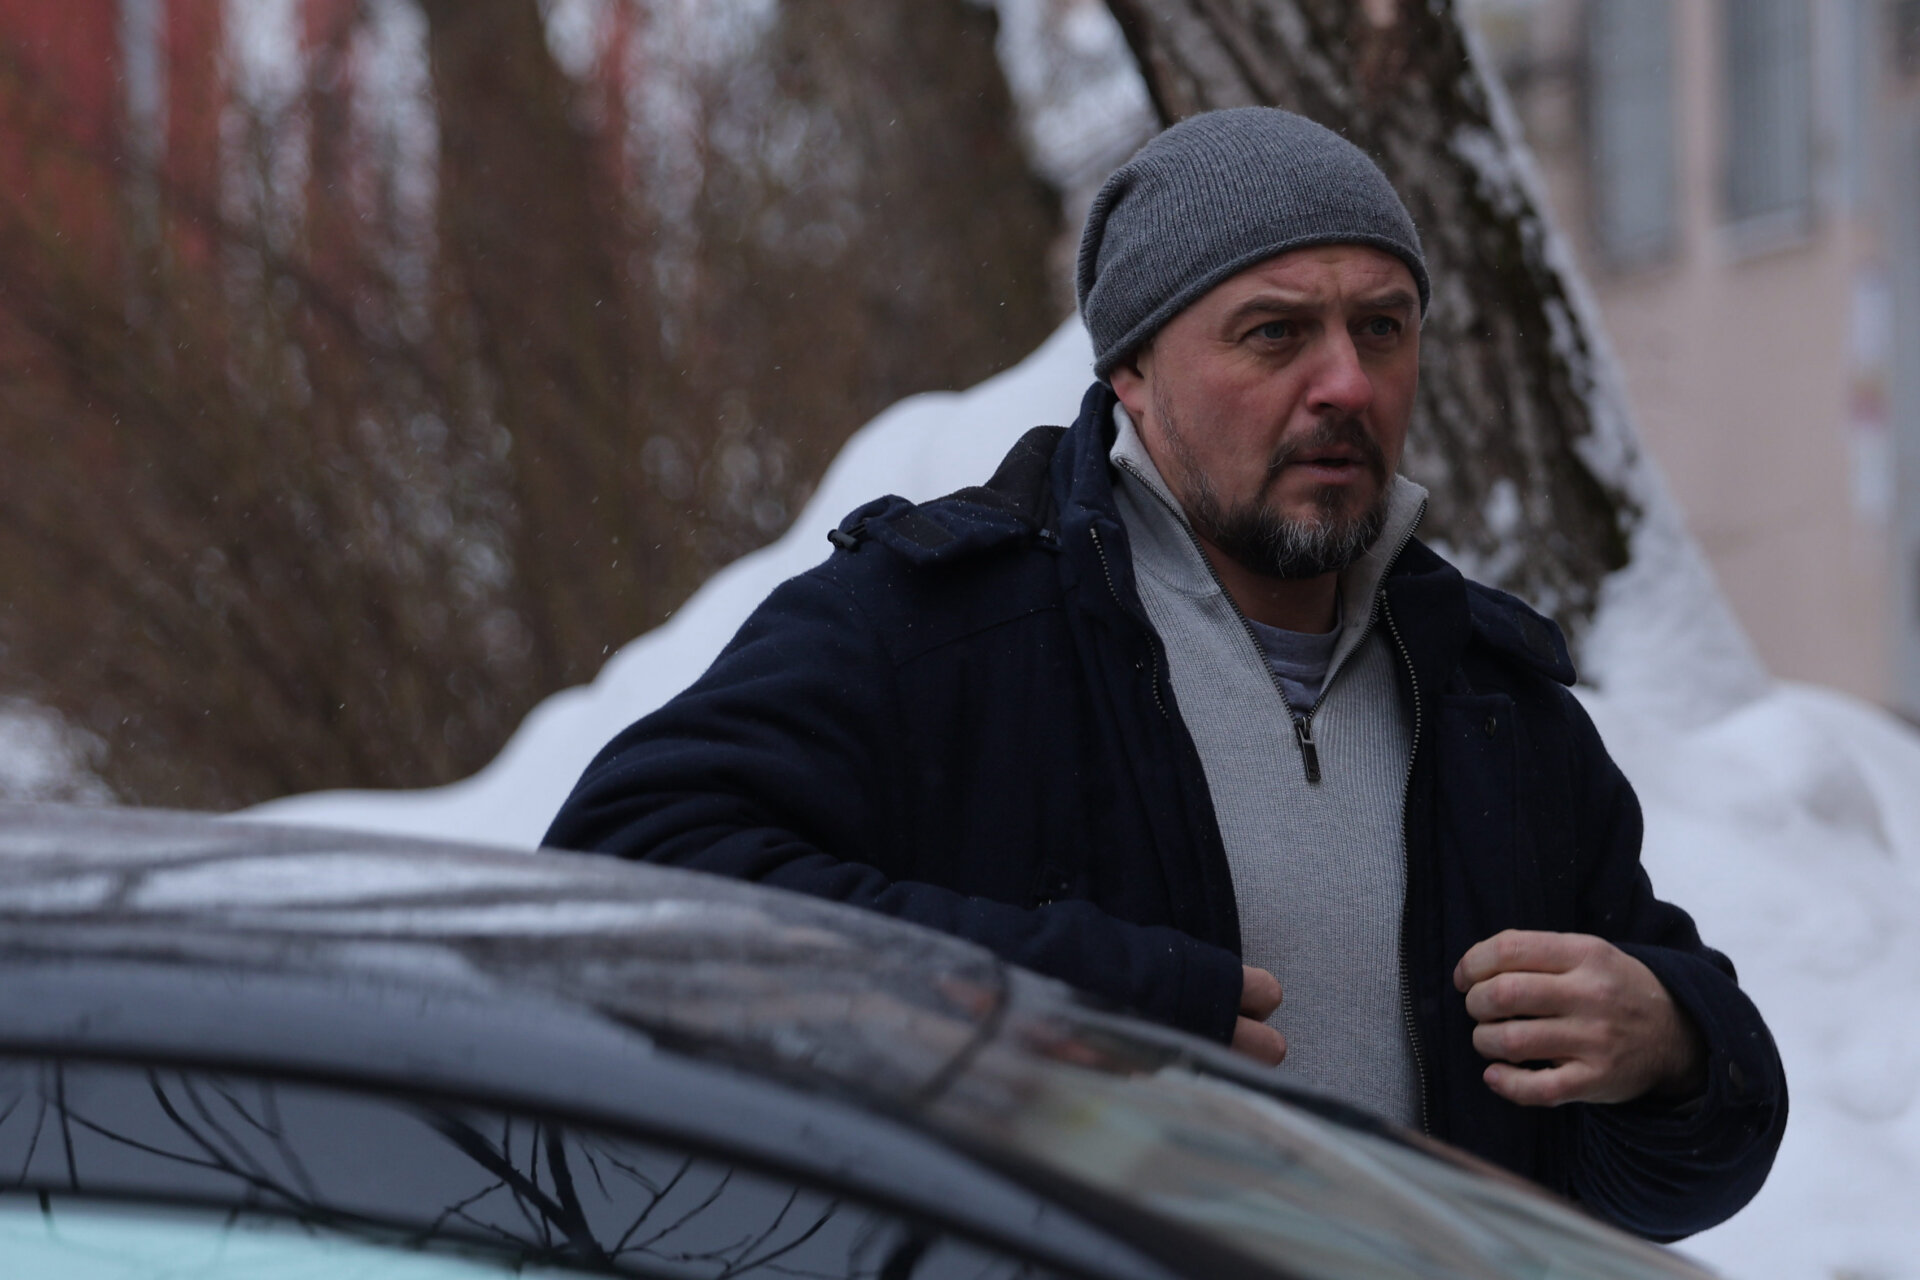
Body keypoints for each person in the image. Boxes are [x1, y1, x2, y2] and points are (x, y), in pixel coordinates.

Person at [545, 107, 1784, 1240]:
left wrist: (1671, 1049)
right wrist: (1055, 1009)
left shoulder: (1493, 700)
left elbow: (1658, 1177)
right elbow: (616, 887)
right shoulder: (937, 628)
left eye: (1382, 327)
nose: (1346, 383)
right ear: (1131, 372)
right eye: (1275, 332)